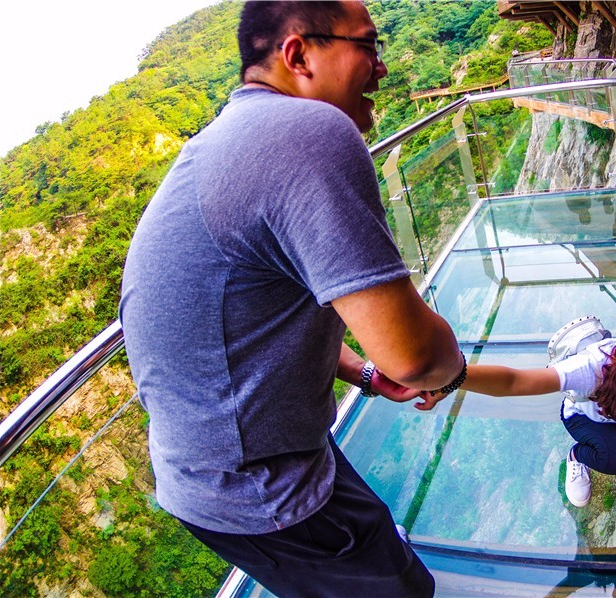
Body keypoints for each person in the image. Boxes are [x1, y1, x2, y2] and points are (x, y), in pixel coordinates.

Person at [119, 2, 466, 596]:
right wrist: (451, 371)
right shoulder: (307, 131)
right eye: (368, 45)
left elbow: (241, 313)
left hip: (229, 468)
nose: (381, 68)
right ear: (299, 54)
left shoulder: (227, 141)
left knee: (386, 552)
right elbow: (413, 354)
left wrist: (359, 371)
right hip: (259, 490)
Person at [417, 324, 616, 551]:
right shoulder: (591, 368)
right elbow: (514, 381)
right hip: (590, 419)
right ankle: (577, 457)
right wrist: (449, 379)